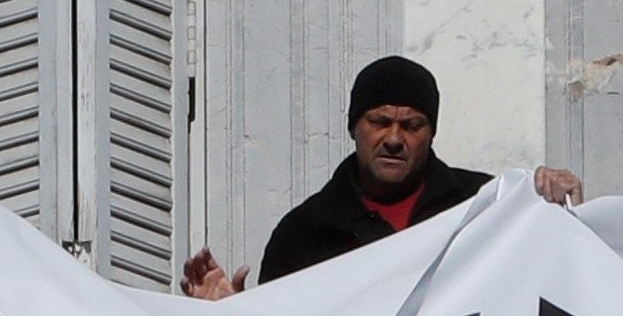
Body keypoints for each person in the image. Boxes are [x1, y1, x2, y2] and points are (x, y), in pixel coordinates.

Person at [181, 57, 580, 298]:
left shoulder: (487, 204)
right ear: (354, 127)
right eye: (379, 121)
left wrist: (559, 209)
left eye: (411, 125)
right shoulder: (305, 233)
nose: (393, 139)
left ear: (431, 132)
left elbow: (558, 286)